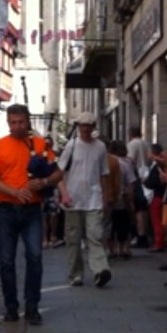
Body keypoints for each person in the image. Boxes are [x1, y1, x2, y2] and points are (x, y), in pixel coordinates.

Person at [0, 104, 62, 324]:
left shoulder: (40, 144)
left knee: (35, 257)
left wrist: (44, 182)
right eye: (13, 122)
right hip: (5, 209)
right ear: (8, 123)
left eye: (21, 122)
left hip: (31, 210)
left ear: (27, 121)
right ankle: (11, 306)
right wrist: (15, 192)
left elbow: (58, 172)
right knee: (6, 261)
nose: (17, 127)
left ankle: (32, 306)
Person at [58, 112, 112, 289]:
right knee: (73, 239)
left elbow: (104, 174)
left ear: (94, 127)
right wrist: (64, 193)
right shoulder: (71, 146)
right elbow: (60, 173)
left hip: (93, 198)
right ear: (78, 127)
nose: (86, 129)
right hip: (73, 199)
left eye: (89, 125)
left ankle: (100, 270)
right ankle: (75, 274)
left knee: (95, 236)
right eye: (83, 125)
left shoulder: (101, 147)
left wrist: (105, 198)